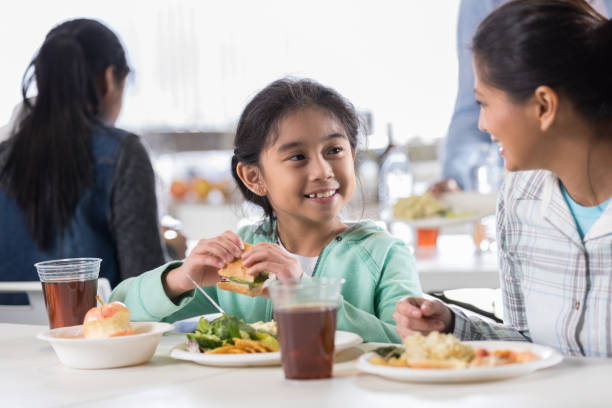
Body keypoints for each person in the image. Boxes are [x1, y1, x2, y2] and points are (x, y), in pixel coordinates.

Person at [111, 78, 422, 343]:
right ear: (254, 177)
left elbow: (409, 345)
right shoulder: (241, 255)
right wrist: (179, 280)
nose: (323, 170)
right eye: (298, 157)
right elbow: (119, 315)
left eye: (335, 150)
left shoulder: (385, 255)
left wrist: (302, 290)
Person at [394, 0, 612, 357]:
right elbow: (533, 347)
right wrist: (451, 326)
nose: (481, 124)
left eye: (484, 103)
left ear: (543, 106)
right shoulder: (518, 195)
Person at [0, 19, 165, 304]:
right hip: (97, 343)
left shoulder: (3, 156)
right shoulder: (123, 154)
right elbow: (146, 293)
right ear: (109, 78)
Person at [431, 0, 611, 195]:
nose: (482, 123)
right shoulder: (516, 204)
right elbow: (471, 109)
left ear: (544, 106)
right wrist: (455, 177)